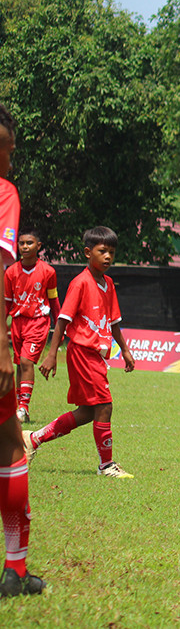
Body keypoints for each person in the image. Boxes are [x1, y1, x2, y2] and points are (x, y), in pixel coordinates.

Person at [24, 226, 136, 478]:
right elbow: (62, 320)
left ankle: (33, 438)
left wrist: (125, 350)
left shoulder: (108, 284)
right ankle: (106, 465)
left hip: (96, 355)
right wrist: (52, 354)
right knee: (105, 405)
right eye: (102, 251)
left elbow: (114, 322)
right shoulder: (80, 283)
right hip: (82, 352)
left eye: (112, 252)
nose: (108, 256)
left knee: (88, 411)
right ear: (88, 252)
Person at [0, 102, 45, 596]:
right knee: (11, 446)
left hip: (33, 325)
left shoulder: (47, 273)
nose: (10, 163)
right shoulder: (3, 192)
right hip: (7, 328)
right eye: (8, 152)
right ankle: (14, 568)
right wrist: (2, 344)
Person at [5, 230, 61, 423]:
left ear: (38, 246)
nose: (25, 246)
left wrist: (60, 327)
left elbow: (53, 301)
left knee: (26, 361)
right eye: (21, 243)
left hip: (38, 322)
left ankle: (23, 407)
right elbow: (6, 303)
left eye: (29, 243)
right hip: (18, 322)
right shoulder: (11, 272)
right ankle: (19, 408)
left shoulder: (48, 271)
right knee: (19, 364)